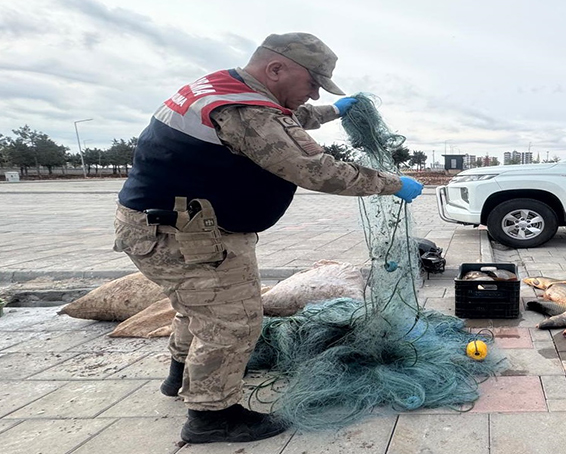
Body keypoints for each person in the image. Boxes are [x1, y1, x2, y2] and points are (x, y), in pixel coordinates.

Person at [112, 32, 423, 444]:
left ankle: (179, 377)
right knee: (233, 321)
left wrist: (335, 111)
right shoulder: (247, 110)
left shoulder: (226, 88)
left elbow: (286, 119)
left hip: (160, 225)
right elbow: (315, 169)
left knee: (198, 307)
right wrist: (390, 182)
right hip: (184, 235)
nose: (313, 94)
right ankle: (212, 416)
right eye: (312, 83)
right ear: (276, 69)